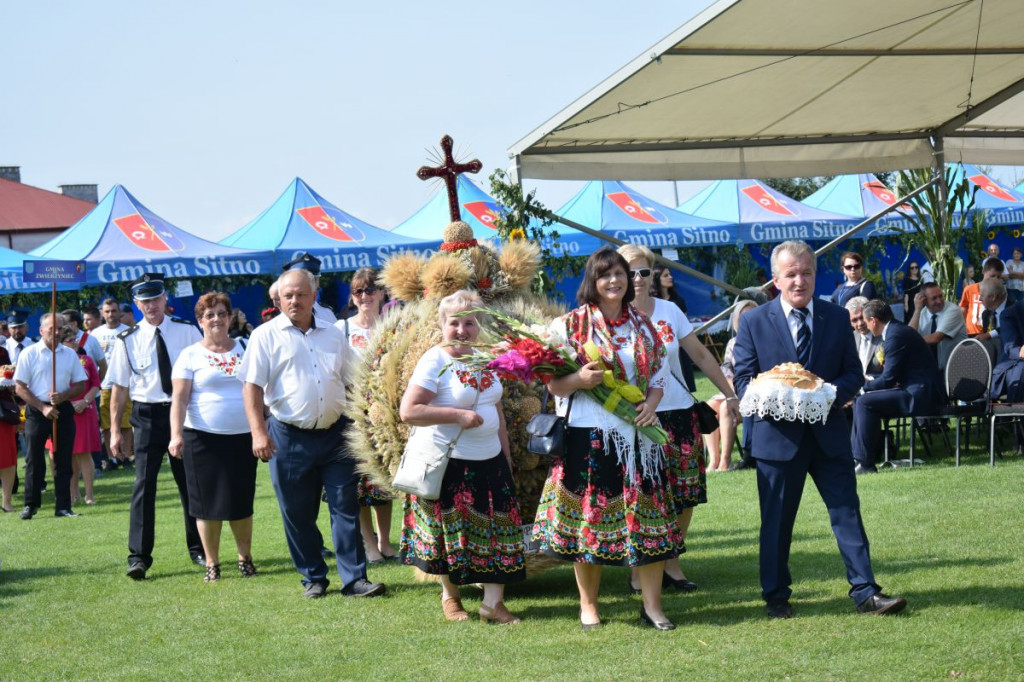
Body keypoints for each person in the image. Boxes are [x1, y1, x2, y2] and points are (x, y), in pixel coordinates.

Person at [732, 240, 906, 618]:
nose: (799, 281)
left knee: (847, 513)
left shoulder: (836, 316)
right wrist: (779, 394)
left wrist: (825, 396)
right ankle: (776, 597)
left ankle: (866, 592)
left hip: (829, 435)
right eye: (791, 274)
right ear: (776, 280)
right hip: (777, 441)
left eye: (806, 272)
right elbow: (743, 381)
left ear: (816, 275)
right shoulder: (754, 321)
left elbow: (852, 374)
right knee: (776, 523)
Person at [532, 247, 680, 631]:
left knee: (649, 522)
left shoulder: (642, 325)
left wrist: (652, 403)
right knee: (590, 525)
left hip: (639, 441)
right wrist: (579, 380)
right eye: (605, 275)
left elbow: (660, 375)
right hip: (589, 438)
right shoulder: (570, 327)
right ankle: (588, 605)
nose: (614, 281)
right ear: (592, 282)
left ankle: (652, 607)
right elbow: (554, 386)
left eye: (620, 274)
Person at [240, 268, 385, 599]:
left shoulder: (334, 334)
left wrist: (363, 424)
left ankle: (354, 580)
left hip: (337, 435)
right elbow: (251, 387)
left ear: (313, 296)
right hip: (289, 436)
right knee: (297, 512)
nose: (294, 300)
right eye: (287, 295)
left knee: (345, 506)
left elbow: (351, 382)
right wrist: (258, 433)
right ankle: (313, 578)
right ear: (278, 299)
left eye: (300, 294)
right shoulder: (265, 336)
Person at [619, 245, 740, 594]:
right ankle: (640, 566)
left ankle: (671, 561)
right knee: (643, 495)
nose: (637, 279)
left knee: (685, 493)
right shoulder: (611, 316)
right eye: (630, 272)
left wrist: (729, 395)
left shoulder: (670, 310)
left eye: (644, 272)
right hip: (638, 418)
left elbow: (700, 354)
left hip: (680, 412)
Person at [399, 290, 525, 623]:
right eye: (454, 322)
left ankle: (492, 605)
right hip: (451, 462)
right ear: (442, 324)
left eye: (469, 322)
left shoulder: (483, 355)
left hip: (491, 459)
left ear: (478, 325)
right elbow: (409, 411)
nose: (462, 330)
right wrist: (457, 415)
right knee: (449, 533)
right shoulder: (435, 360)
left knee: (499, 531)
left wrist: (506, 456)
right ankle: (450, 597)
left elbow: (494, 406)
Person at [108, 274, 205, 580]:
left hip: (183, 414)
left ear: (165, 299)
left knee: (190, 484)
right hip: (147, 416)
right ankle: (138, 557)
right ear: (136, 305)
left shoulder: (187, 332)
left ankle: (200, 548)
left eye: (155, 299)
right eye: (144, 301)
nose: (151, 306)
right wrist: (114, 430)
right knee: (144, 486)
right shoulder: (127, 340)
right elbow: (119, 390)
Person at [169, 292, 257, 584]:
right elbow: (179, 400)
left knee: (241, 501)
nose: (216, 319)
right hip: (201, 439)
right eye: (210, 315)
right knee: (206, 505)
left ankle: (245, 558)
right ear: (200, 321)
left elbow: (260, 391)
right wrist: (175, 435)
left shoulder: (246, 347)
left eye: (222, 313)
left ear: (230, 317)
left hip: (243, 437)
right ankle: (212, 562)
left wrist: (264, 429)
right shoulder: (189, 355)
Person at [336, 268, 398, 564]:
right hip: (353, 418)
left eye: (371, 290)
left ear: (383, 293)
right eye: (359, 291)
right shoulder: (341, 329)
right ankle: (369, 543)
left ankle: (386, 541)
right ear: (352, 296)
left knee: (383, 482)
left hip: (385, 417)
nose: (365, 296)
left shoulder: (393, 327)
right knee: (359, 484)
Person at [851, 301, 942, 473]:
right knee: (861, 400)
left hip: (919, 394)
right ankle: (857, 458)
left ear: (874, 320)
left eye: (865, 320)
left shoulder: (895, 335)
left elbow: (888, 379)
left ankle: (865, 463)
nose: (865, 325)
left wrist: (863, 388)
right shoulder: (896, 330)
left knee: (864, 401)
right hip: (911, 388)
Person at [13, 313, 87, 519]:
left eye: (60, 328)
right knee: (34, 460)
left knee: (64, 460)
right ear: (41, 330)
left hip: (62, 410)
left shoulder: (70, 354)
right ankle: (30, 504)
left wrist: (63, 396)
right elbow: (20, 387)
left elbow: (80, 384)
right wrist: (43, 407)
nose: (56, 332)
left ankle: (63, 506)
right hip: (37, 411)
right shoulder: (29, 353)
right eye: (51, 328)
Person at [704, 299, 759, 470]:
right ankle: (713, 460)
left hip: (754, 394)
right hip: (734, 390)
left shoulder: (764, 341)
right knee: (708, 408)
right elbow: (726, 371)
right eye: (742, 318)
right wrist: (731, 393)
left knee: (725, 408)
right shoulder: (733, 344)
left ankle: (725, 461)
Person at [50, 326, 101, 506]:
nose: (74, 343)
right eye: (70, 340)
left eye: (75, 340)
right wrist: (66, 403)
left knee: (84, 453)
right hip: (63, 410)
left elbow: (96, 384)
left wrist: (84, 402)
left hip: (84, 410)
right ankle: (72, 494)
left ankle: (89, 494)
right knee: (67, 455)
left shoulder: (86, 360)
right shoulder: (54, 362)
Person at [93, 299, 134, 471]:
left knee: (126, 422)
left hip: (126, 384)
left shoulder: (129, 331)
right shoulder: (95, 334)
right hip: (105, 385)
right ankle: (112, 458)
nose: (111, 314)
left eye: (114, 310)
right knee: (107, 424)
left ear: (119, 312)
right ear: (102, 313)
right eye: (107, 311)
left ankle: (126, 456)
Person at [652, 264, 696, 392]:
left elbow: (684, 324)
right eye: (665, 275)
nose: (670, 277)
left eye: (670, 274)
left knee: (684, 381)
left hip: (680, 345)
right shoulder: (653, 301)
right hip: (660, 348)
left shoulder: (678, 300)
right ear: (656, 279)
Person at [907, 282, 967, 371]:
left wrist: (911, 340)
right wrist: (917, 310)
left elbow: (936, 338)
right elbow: (909, 334)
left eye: (940, 296)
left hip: (955, 368)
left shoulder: (953, 310)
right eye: (934, 298)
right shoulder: (922, 312)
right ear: (924, 300)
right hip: (931, 368)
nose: (939, 301)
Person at [282, 252, 337, 324]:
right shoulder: (284, 318)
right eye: (303, 280)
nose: (310, 284)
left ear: (318, 282)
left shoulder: (327, 313)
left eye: (314, 279)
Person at [961, 258, 1005, 336]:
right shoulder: (969, 289)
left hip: (990, 333)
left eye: (998, 277)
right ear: (983, 271)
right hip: (971, 332)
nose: (994, 279)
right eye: (992, 276)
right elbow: (963, 309)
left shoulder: (1000, 293)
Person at [61, 309, 107, 380]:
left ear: (74, 323)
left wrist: (95, 385)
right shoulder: (60, 341)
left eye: (64, 323)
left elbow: (103, 366)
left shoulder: (91, 340)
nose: (61, 326)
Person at [846, 296, 884, 381]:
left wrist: (869, 379)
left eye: (862, 317)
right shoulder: (850, 338)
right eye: (854, 320)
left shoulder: (884, 334)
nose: (860, 323)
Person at [0, 344, 17, 512]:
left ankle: (7, 502)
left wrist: (6, 380)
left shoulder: (2, 351)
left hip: (2, 414)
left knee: (7, 459)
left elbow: (10, 379)